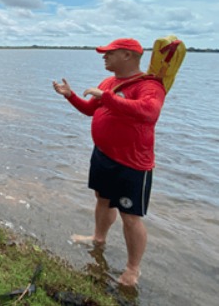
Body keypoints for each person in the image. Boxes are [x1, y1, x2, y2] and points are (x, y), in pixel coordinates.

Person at [52, 38, 166, 287]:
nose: (104, 57)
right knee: (102, 200)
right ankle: (98, 239)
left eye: (108, 53)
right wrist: (70, 96)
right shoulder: (109, 83)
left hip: (133, 163)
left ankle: (132, 270)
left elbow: (149, 112)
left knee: (130, 216)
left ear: (127, 55)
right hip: (104, 155)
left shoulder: (149, 85)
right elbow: (91, 109)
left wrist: (107, 97)